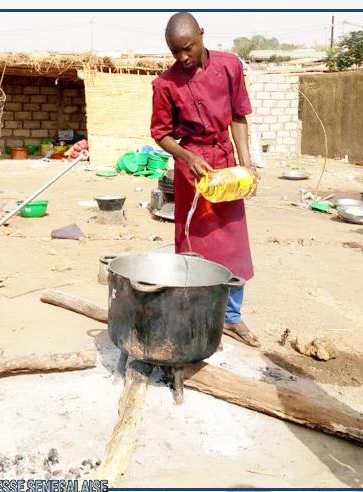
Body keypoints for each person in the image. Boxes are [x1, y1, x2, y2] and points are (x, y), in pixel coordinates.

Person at [151, 12, 262, 348]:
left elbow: (239, 115)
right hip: (192, 170)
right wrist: (187, 157)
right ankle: (194, 315)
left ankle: (230, 317)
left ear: (201, 34)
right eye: (175, 52)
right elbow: (160, 135)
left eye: (187, 48)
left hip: (225, 164)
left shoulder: (229, 67)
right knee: (194, 243)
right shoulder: (165, 84)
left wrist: (245, 163)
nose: (183, 57)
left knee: (233, 244)